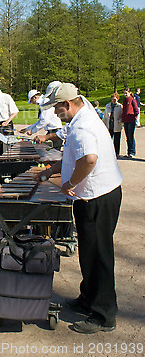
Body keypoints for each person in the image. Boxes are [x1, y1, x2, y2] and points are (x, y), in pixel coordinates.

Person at [36, 83, 122, 334]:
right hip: (96, 196)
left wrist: (69, 183)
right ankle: (88, 297)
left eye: (57, 108)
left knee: (99, 256)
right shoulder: (82, 115)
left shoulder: (83, 125)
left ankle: (104, 314)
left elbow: (89, 159)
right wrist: (53, 170)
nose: (55, 113)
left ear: (68, 104)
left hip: (98, 198)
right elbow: (76, 156)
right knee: (88, 251)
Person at [20, 82, 63, 149]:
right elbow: (40, 121)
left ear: (35, 97)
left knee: (52, 155)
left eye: (32, 101)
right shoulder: (43, 103)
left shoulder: (45, 102)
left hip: (55, 132)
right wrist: (27, 129)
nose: (33, 103)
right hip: (51, 131)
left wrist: (32, 131)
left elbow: (44, 121)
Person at [122, 88, 139, 159]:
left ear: (130, 93)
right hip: (126, 121)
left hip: (131, 121)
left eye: (126, 93)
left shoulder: (132, 100)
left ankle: (132, 152)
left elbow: (136, 111)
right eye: (124, 93)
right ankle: (129, 152)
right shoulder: (124, 101)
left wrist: (133, 117)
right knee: (127, 137)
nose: (125, 94)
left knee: (131, 136)